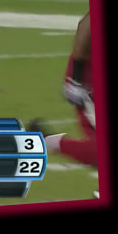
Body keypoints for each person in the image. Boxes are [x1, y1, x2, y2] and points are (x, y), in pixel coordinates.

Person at [29, 12, 97, 169]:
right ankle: (46, 142)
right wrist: (77, 76)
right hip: (89, 79)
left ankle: (46, 141)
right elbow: (87, 24)